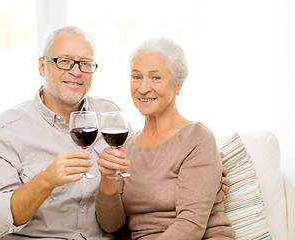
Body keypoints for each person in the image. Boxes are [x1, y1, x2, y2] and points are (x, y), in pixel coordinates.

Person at [0, 26, 230, 239]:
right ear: (43, 66)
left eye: (85, 64)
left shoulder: (110, 117)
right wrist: (46, 179)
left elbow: (153, 166)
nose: (76, 71)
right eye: (64, 61)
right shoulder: (4, 131)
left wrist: (207, 175)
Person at [95, 37, 236, 239]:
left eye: (156, 78)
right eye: (136, 77)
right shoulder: (126, 145)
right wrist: (107, 176)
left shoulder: (197, 138)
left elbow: (190, 224)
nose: (143, 88)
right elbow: (111, 225)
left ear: (178, 84)